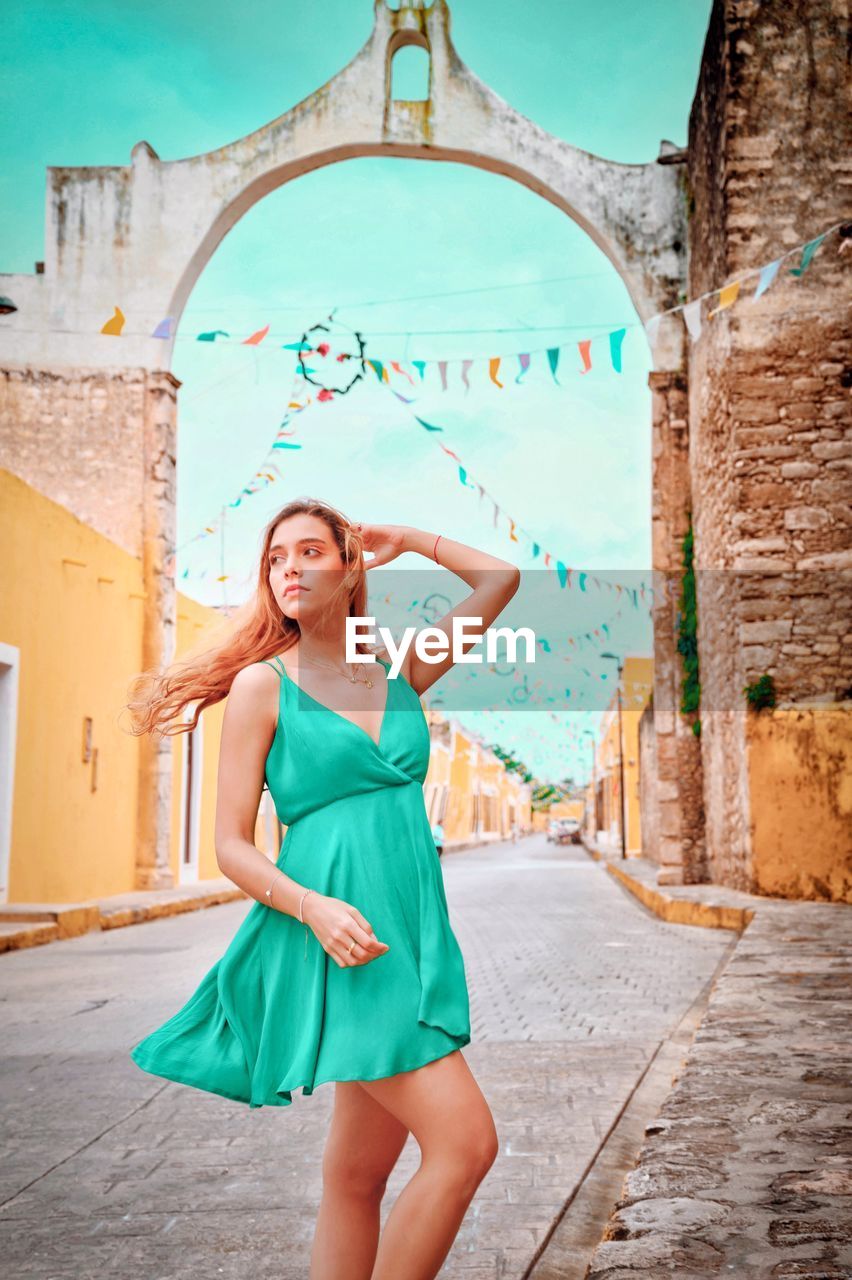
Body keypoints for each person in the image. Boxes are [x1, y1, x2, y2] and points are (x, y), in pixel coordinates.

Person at [126, 497, 520, 1280]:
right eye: (276, 559)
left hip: (403, 938)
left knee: (356, 1177)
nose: (288, 570)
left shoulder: (402, 669)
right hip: (338, 942)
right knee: (467, 1144)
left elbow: (501, 577)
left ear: (350, 567)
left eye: (309, 552)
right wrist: (311, 906)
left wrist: (406, 535)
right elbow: (231, 846)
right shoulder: (262, 688)